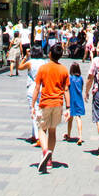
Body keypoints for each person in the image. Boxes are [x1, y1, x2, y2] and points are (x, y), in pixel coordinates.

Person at [33, 42, 70, 174]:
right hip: (58, 104)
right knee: (53, 131)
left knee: (42, 129)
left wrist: (32, 105)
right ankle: (50, 159)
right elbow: (66, 89)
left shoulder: (43, 68)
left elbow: (37, 87)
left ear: (49, 54)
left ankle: (45, 153)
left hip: (45, 103)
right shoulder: (64, 70)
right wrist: (68, 107)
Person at [19, 45, 44, 146]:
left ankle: (38, 137)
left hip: (33, 87)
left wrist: (25, 56)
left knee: (33, 111)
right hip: (42, 87)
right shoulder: (44, 62)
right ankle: (35, 134)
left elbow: (19, 67)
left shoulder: (30, 62)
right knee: (39, 111)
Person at [65, 60, 86, 144]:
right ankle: (80, 136)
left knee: (70, 118)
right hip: (79, 99)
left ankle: (69, 135)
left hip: (72, 99)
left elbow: (66, 89)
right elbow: (81, 88)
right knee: (78, 118)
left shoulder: (70, 78)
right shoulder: (81, 78)